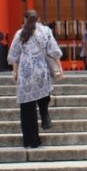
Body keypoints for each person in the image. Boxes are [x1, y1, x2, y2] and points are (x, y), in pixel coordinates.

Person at [8, 10, 63, 150]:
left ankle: (30, 140)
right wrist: (60, 68)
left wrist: (15, 72)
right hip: (41, 71)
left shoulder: (20, 33)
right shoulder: (45, 31)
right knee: (43, 95)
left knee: (27, 108)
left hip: (25, 73)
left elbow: (14, 55)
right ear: (39, 18)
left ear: (24, 18)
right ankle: (44, 112)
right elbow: (54, 51)